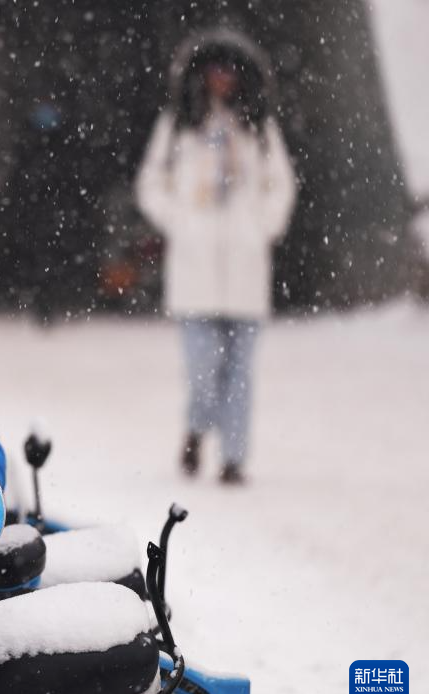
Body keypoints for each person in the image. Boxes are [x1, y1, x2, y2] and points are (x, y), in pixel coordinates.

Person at [136, 30, 296, 484]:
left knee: (241, 372)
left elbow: (280, 185)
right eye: (214, 70)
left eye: (229, 71)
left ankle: (233, 458)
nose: (222, 79)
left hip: (246, 271)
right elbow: (151, 184)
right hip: (195, 271)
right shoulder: (178, 128)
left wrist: (262, 227)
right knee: (204, 370)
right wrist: (179, 222)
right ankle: (197, 426)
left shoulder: (258, 130)